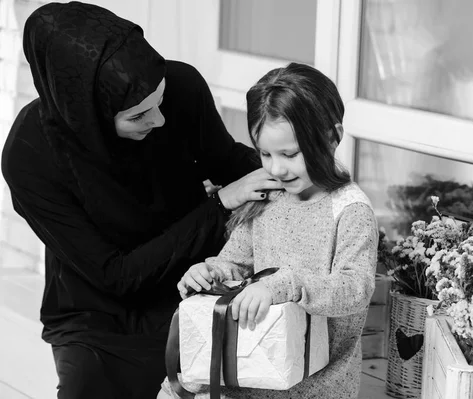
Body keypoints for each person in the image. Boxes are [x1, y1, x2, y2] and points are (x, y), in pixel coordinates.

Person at [0, 2, 282, 398]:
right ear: (87, 113)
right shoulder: (29, 156)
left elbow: (229, 162)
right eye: (138, 116)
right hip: (96, 312)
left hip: (194, 281)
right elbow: (114, 276)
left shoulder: (180, 85)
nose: (160, 120)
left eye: (159, 100)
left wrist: (300, 178)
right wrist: (219, 206)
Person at [159, 62, 379, 399]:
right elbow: (236, 262)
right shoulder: (270, 194)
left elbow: (355, 288)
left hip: (315, 389)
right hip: (249, 373)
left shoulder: (350, 210)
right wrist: (210, 272)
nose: (277, 167)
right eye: (265, 153)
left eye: (290, 154)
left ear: (332, 137)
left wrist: (285, 285)